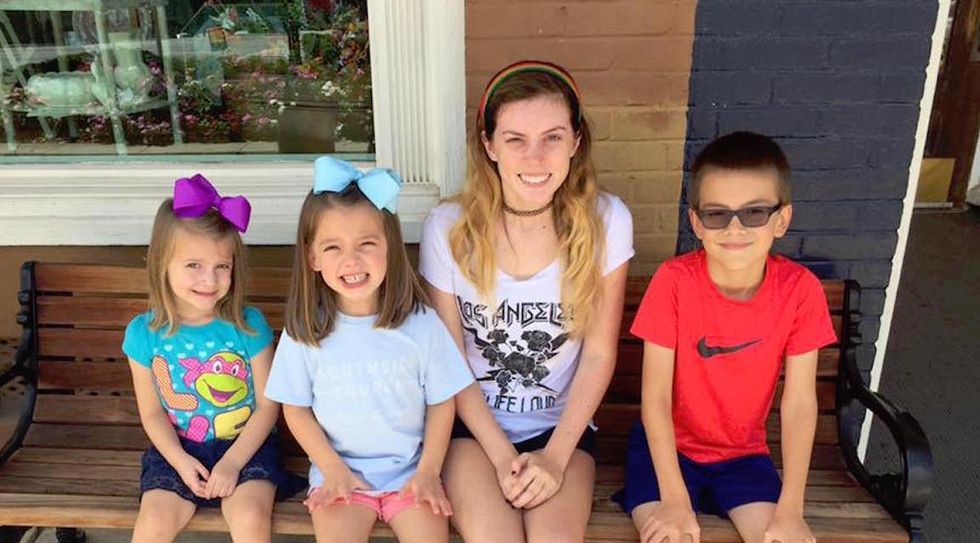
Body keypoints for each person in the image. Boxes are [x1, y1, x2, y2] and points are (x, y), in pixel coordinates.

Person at [419, 60, 635, 541]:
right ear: (489, 145)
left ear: (576, 141)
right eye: (515, 139)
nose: (535, 158)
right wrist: (501, 457)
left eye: (552, 137)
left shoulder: (606, 220)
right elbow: (451, 360)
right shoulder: (448, 228)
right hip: (474, 430)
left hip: (562, 429)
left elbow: (599, 353)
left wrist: (555, 457)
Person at [620, 131, 837, 543]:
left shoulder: (799, 290)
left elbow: (799, 403)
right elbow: (656, 397)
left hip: (743, 456)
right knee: (669, 536)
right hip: (665, 452)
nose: (735, 228)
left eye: (754, 212)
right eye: (717, 214)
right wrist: (674, 499)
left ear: (782, 219)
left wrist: (791, 510)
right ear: (697, 223)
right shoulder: (674, 282)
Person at [264, 157, 474, 543]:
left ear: (390, 246)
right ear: (312, 257)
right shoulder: (306, 331)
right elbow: (295, 408)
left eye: (366, 244)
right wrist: (331, 468)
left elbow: (443, 401)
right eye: (333, 247)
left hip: (411, 473)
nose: (352, 260)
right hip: (339, 475)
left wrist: (429, 471)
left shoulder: (421, 324)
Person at [124, 174, 296, 543]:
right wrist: (181, 461)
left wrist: (232, 462)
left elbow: (268, 406)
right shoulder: (144, 334)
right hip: (178, 449)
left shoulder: (248, 325)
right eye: (194, 265)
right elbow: (152, 413)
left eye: (222, 266)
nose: (210, 279)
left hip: (247, 447)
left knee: (249, 517)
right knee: (153, 522)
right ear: (161, 264)